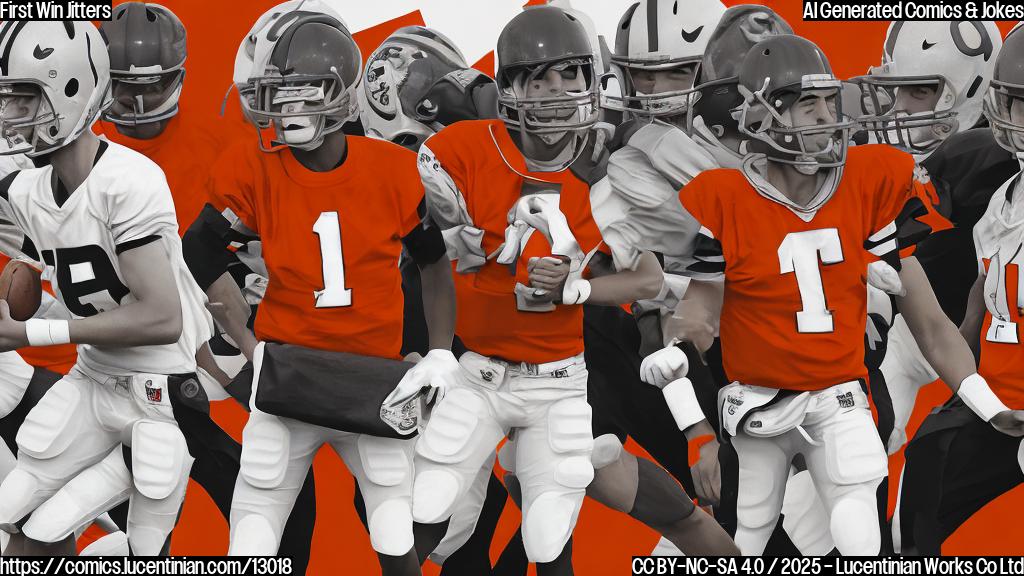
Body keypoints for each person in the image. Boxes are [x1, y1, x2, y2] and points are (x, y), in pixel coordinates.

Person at [660, 33, 1024, 556]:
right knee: (748, 532)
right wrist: (682, 363)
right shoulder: (723, 201)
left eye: (831, 101)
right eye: (810, 106)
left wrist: (986, 407)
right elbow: (697, 312)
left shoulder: (866, 185)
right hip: (758, 404)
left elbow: (930, 324)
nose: (830, 118)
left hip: (842, 398)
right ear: (763, 117)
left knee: (861, 525)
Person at [182, 2, 457, 573]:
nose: (285, 107)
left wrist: (437, 352)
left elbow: (434, 263)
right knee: (252, 536)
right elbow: (199, 247)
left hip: (373, 377)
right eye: (277, 92)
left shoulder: (394, 169)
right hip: (288, 376)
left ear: (340, 93)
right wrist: (248, 342)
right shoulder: (252, 166)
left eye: (303, 91)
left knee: (393, 532)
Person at [402, 6, 663, 574]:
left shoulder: (607, 172)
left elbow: (648, 279)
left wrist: (577, 288)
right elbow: (421, 257)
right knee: (424, 509)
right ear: (509, 87)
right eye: (540, 79)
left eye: (571, 76)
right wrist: (449, 263)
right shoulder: (464, 152)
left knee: (547, 537)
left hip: (557, 378)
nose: (558, 93)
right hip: (476, 370)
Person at [94, 3, 318, 564]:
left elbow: (272, 247)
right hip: (128, 354)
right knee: (142, 510)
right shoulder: (76, 154)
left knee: (275, 484)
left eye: (156, 85)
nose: (140, 105)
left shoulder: (225, 145)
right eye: (124, 90)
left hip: (220, 341)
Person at [0, 19, 211, 556]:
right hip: (93, 379)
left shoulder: (126, 180)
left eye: (23, 99)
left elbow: (163, 318)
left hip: (157, 396)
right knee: (17, 532)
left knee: (132, 546)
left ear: (71, 90)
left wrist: (29, 332)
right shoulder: (28, 188)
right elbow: (52, 281)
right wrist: (24, 285)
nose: (9, 114)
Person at [895, 23, 1024, 555]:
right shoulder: (1003, 200)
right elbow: (981, 298)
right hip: (1000, 400)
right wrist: (963, 383)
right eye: (1016, 103)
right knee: (926, 467)